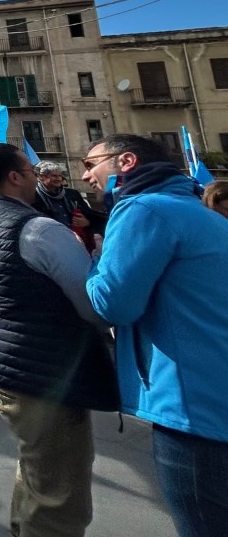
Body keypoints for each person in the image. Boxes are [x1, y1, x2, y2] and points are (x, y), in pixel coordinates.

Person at [0, 143, 118, 537]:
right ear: (16, 177)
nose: (42, 177)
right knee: (60, 494)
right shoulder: (40, 230)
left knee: (37, 464)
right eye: (32, 169)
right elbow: (95, 307)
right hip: (41, 372)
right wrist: (104, 259)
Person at [82, 135, 228, 536]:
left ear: (125, 161)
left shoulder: (142, 209)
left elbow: (113, 304)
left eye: (90, 162)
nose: (84, 174)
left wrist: (95, 262)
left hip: (192, 406)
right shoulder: (201, 212)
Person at [32, 161, 106, 251]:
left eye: (60, 176)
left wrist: (87, 222)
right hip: (51, 245)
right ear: (41, 177)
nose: (59, 179)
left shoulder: (72, 194)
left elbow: (89, 213)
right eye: (54, 176)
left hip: (78, 242)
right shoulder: (33, 196)